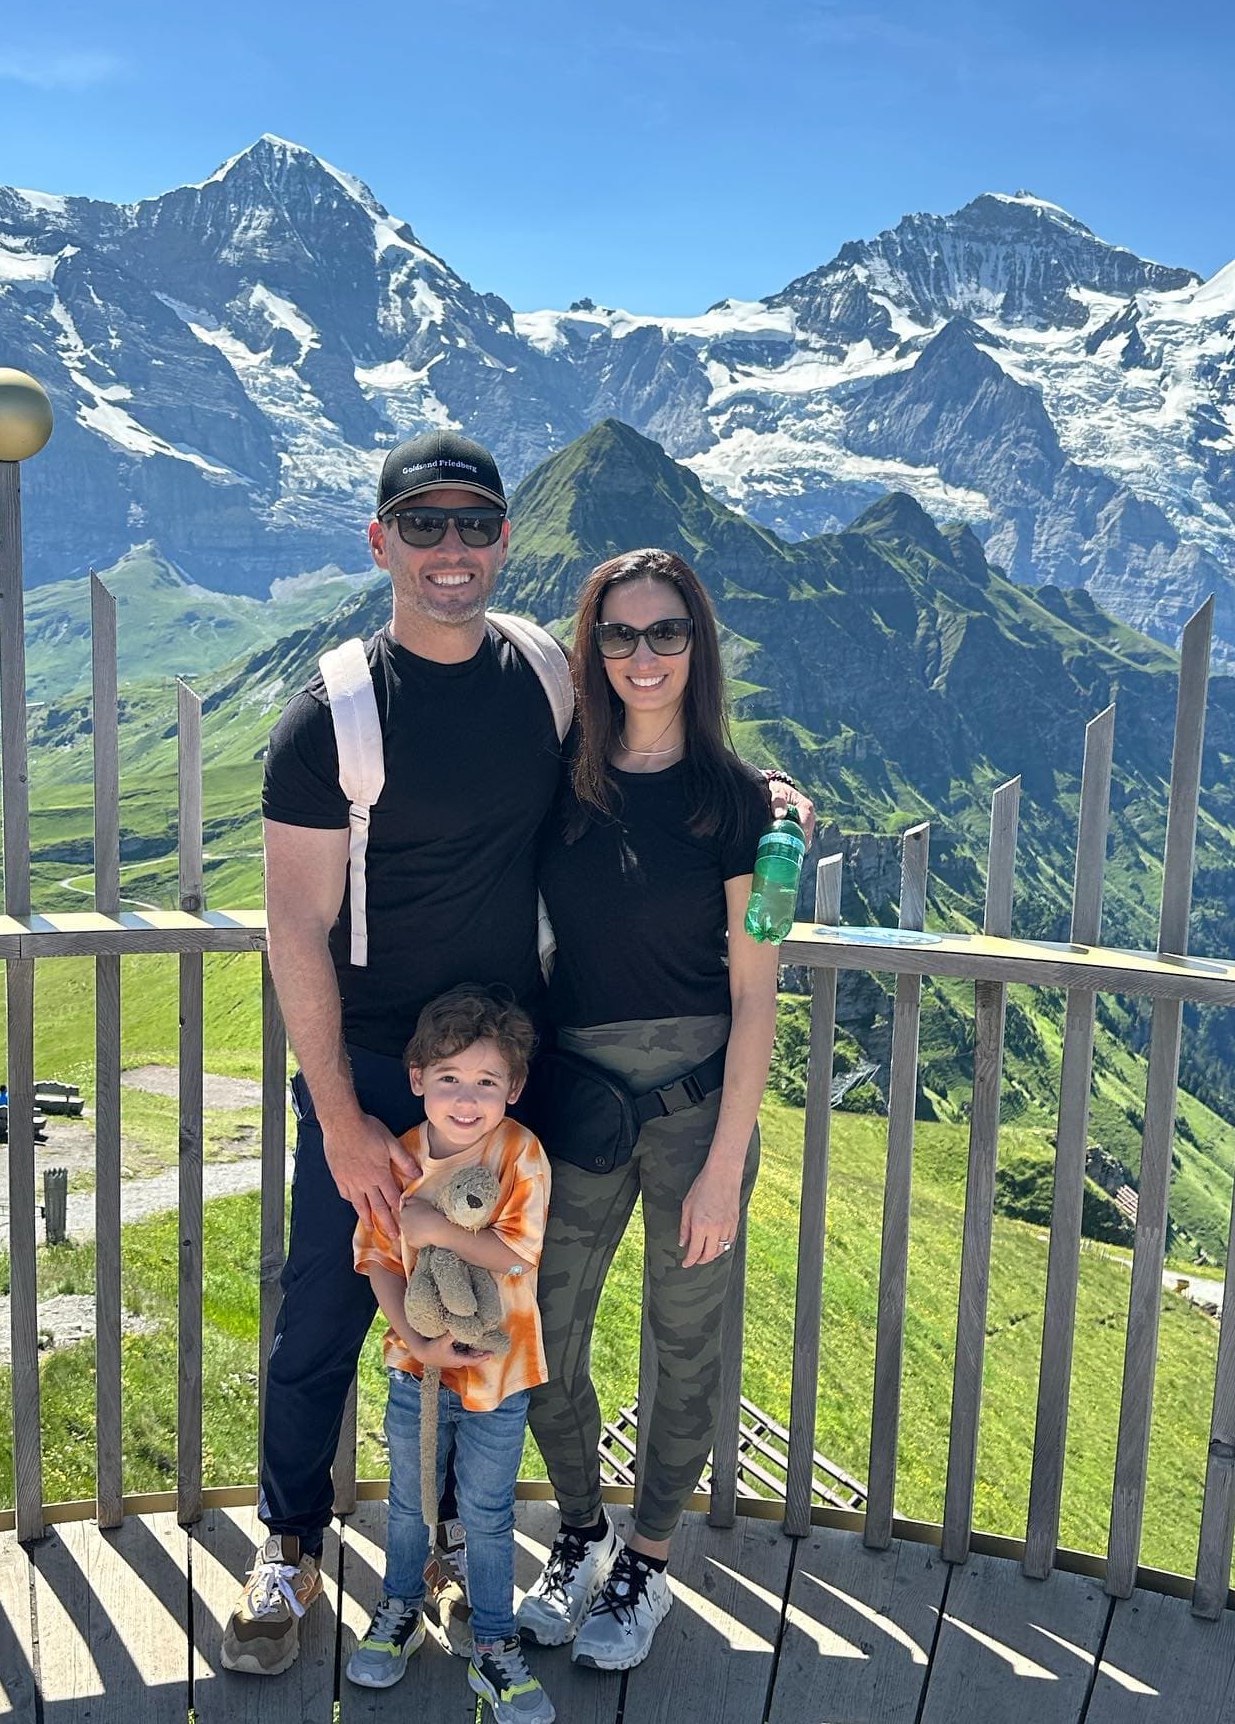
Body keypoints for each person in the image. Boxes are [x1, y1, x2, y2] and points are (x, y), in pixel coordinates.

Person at [224, 425, 809, 1678]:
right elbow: (294, 928)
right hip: (379, 1064)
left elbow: (655, 770)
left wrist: (766, 804)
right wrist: (338, 1114)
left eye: (474, 525)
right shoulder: (328, 718)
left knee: (484, 1302)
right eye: (422, 525)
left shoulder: (543, 676)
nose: (451, 550)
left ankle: (442, 1537)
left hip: (507, 1069)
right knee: (330, 1293)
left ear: (504, 540)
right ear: (380, 541)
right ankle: (289, 1539)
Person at [516, 547, 782, 1672]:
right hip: (578, 1105)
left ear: (697, 643)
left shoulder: (736, 802)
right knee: (538, 1331)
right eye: (618, 636)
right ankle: (581, 1529)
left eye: (665, 632)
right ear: (592, 651)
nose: (642, 656)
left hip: (695, 1110)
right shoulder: (557, 779)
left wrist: (725, 1164)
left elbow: (757, 993)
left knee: (685, 1346)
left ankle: (650, 1557)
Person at [346, 985, 554, 1724]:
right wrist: (415, 1334)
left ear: (514, 1088)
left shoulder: (520, 1154)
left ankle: (494, 1644)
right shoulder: (399, 1158)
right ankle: (400, 1606)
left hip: (501, 1374)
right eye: (449, 1080)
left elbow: (513, 1254)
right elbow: (376, 1256)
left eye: (486, 1083)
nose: (466, 1100)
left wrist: (433, 1228)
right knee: (407, 1502)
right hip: (417, 1369)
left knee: (490, 1512)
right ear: (417, 1080)